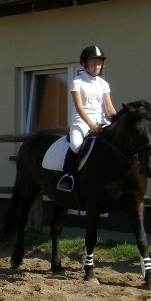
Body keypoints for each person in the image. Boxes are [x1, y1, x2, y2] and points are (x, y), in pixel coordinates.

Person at [57, 46, 116, 192]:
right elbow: (79, 106)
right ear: (85, 64)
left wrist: (118, 120)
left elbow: (108, 107)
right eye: (93, 63)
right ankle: (68, 176)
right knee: (76, 144)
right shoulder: (78, 81)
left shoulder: (103, 84)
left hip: (101, 122)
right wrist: (91, 124)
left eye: (99, 63)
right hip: (81, 122)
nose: (96, 66)